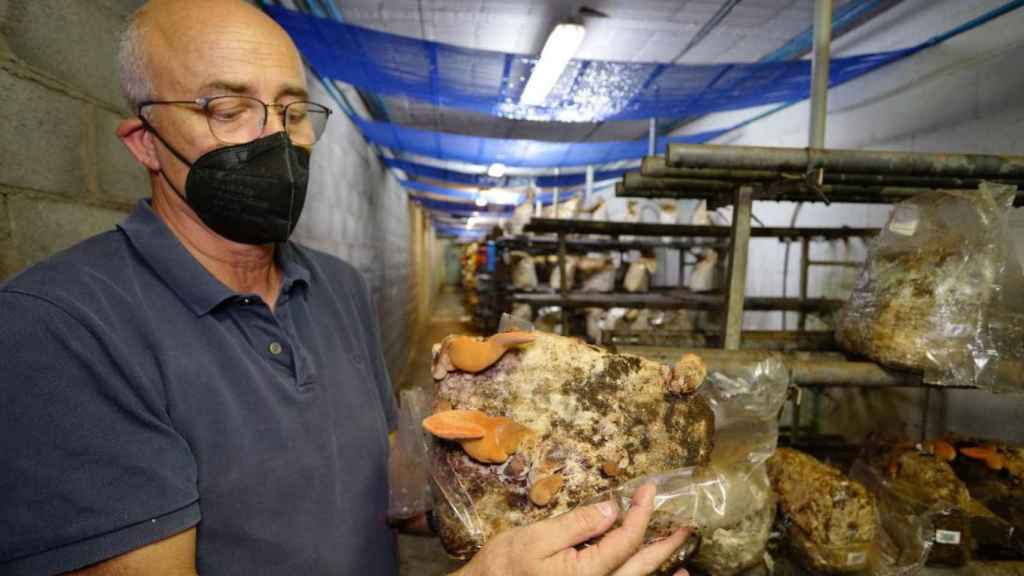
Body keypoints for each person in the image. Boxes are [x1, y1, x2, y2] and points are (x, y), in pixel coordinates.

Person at [0, 1, 691, 574]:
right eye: (226, 108)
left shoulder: (334, 287)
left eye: (293, 111)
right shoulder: (60, 329)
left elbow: (380, 484)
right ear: (144, 140)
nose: (274, 137)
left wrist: (533, 453)